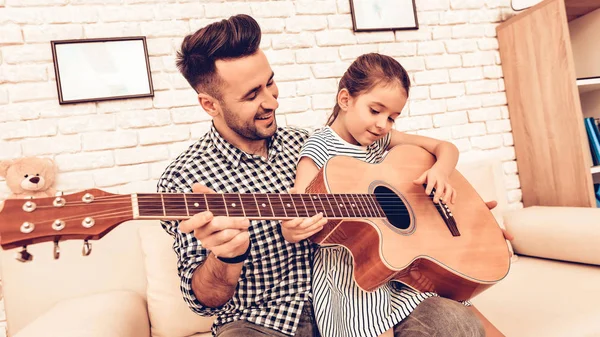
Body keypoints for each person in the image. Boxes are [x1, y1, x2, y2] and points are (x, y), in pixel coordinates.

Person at [158, 14, 509, 337]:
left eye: (270, 83)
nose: (273, 102)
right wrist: (226, 257)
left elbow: (405, 174)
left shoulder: (314, 141)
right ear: (210, 104)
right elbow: (203, 299)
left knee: (456, 323)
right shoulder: (184, 179)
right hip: (263, 320)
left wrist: (455, 219)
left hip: (368, 298)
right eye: (252, 95)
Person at [281, 52, 507, 337]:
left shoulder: (383, 140)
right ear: (345, 100)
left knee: (467, 322)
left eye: (392, 118)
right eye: (375, 111)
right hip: (352, 276)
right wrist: (292, 230)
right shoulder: (319, 148)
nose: (383, 124)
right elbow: (301, 208)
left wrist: (440, 172)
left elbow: (446, 148)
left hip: (399, 273)